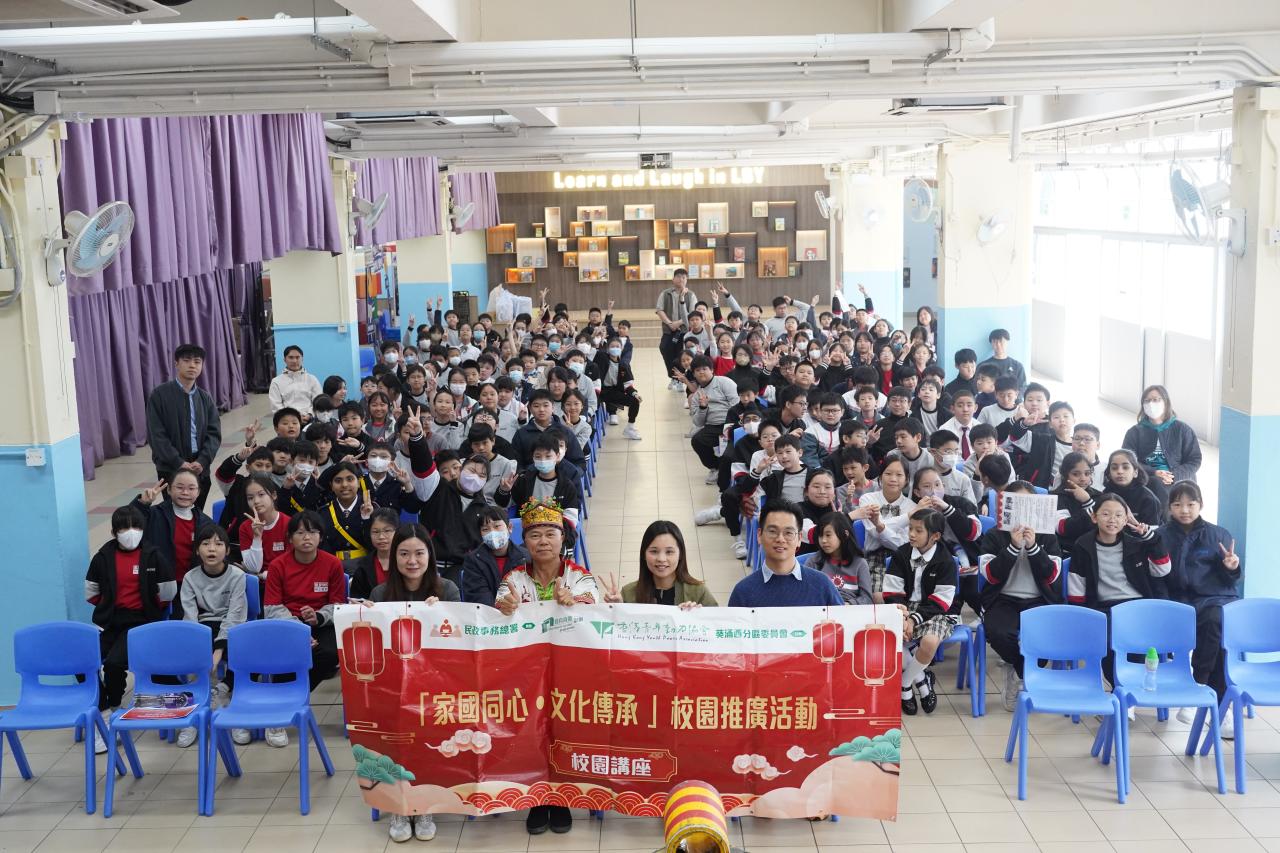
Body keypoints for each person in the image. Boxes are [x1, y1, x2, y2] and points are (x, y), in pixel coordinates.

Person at [494, 498, 597, 837]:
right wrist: (505, 609)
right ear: (524, 541)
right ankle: (538, 797)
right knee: (531, 731)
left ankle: (562, 796)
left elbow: (594, 611)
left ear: (562, 538)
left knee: (565, 730)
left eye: (550, 533)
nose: (543, 541)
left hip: (571, 673)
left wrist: (575, 603)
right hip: (526, 675)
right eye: (534, 534)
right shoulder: (513, 579)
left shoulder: (580, 577)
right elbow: (500, 612)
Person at [366, 524, 460, 843]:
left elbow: (459, 643)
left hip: (437, 685)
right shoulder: (380, 595)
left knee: (428, 731)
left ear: (429, 556)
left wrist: (442, 614)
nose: (412, 561)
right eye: (404, 554)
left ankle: (424, 804)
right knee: (394, 730)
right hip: (394, 686)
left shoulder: (447, 589)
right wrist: (366, 616)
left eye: (419, 553)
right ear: (394, 557)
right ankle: (399, 805)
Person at [85, 505, 176, 753]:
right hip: (110, 621)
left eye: (136, 526)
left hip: (140, 623)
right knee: (80, 662)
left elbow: (167, 592)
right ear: (114, 532)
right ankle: (103, 708)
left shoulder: (154, 556)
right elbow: (91, 592)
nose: (131, 532)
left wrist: (150, 609)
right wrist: (108, 608)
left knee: (114, 663)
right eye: (124, 527)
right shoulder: (103, 557)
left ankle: (113, 710)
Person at [1066, 493, 1171, 686]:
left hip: (1136, 606)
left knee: (1140, 641)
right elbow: (1076, 584)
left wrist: (1150, 537)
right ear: (1094, 517)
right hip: (1104, 608)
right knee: (1108, 642)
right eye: (1106, 514)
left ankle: (1132, 687)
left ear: (1125, 520)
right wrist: (1081, 619)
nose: (1112, 519)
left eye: (1118, 515)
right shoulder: (1083, 545)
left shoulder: (1136, 544)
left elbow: (1162, 569)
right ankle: (1119, 686)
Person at [263, 511, 347, 747]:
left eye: (312, 532)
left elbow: (338, 605)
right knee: (287, 656)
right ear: (290, 538)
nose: (307, 537)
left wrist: (318, 617)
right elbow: (271, 608)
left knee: (330, 653)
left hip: (320, 623)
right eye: (300, 533)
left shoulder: (332, 564)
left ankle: (285, 704)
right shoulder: (278, 566)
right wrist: (298, 630)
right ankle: (277, 717)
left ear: (321, 536)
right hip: (287, 625)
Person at [978, 480, 1063, 711]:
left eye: (1028, 503)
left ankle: (1017, 672)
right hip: (1003, 598)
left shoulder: (1047, 535)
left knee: (1046, 640)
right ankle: (1021, 670)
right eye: (1016, 503)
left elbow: (1051, 575)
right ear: (1006, 505)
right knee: (998, 633)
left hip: (1039, 600)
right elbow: (991, 575)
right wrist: (1013, 547)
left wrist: (1034, 547)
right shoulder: (994, 535)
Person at [1163, 481, 1240, 732]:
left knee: (1218, 620)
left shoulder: (1219, 535)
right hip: (1178, 601)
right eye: (1178, 504)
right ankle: (1218, 705)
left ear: (1201, 505)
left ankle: (1198, 686)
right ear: (1170, 507)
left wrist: (1231, 567)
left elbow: (1230, 580)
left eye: (1191, 504)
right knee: (1217, 638)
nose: (1184, 510)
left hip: (1214, 598)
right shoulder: (1161, 536)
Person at [176, 525, 249, 748]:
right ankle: (194, 714)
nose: (212, 549)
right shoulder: (190, 578)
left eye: (218, 544)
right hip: (202, 627)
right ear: (197, 550)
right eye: (206, 543)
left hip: (233, 627)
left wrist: (217, 652)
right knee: (188, 655)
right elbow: (190, 618)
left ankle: (231, 708)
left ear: (227, 550)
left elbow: (235, 616)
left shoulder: (237, 575)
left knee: (243, 654)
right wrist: (200, 649)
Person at [884, 508, 957, 714]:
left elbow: (941, 600)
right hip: (903, 609)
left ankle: (905, 683)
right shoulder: (901, 553)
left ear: (935, 536)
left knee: (930, 642)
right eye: (910, 529)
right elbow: (892, 591)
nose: (911, 534)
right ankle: (922, 680)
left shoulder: (946, 560)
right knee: (891, 639)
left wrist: (913, 620)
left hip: (936, 611)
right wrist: (903, 616)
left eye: (918, 530)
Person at [145, 343, 222, 512]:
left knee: (197, 514)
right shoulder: (159, 395)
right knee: (175, 515)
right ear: (176, 364)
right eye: (186, 360)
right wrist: (178, 462)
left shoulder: (205, 398)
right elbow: (156, 436)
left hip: (199, 467)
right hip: (170, 468)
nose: (192, 365)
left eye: (197, 361)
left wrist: (203, 461)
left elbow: (214, 434)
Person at [728, 499, 843, 607]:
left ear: (799, 539)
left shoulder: (822, 585)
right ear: (759, 535)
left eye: (788, 533)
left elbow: (842, 620)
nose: (780, 539)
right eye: (773, 531)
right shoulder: (743, 592)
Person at [130, 470, 214, 610]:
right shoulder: (154, 515)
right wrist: (142, 504)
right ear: (168, 490)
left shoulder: (206, 523)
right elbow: (126, 524)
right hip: (158, 586)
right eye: (179, 487)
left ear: (198, 492)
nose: (185, 492)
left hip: (193, 588)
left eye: (191, 488)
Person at [600, 521, 717, 607]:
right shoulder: (628, 593)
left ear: (681, 554)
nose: (661, 559)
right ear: (643, 554)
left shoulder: (698, 592)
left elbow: (718, 625)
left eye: (669, 552)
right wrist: (617, 609)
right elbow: (618, 630)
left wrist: (698, 616)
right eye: (654, 551)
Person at [1122, 385, 1202, 507]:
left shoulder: (1182, 429)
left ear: (1166, 402)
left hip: (1178, 479)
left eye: (1156, 400)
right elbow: (1128, 460)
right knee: (1156, 485)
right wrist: (1153, 472)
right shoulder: (1134, 432)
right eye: (1147, 401)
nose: (1151, 404)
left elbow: (1194, 459)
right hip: (1149, 479)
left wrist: (1173, 475)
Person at [460, 506, 530, 605]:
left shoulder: (526, 557)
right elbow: (478, 597)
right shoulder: (473, 560)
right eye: (485, 529)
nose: (492, 532)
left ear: (509, 527)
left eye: (497, 526)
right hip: (488, 613)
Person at [685, 355, 739, 483]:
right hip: (713, 426)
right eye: (698, 370)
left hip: (731, 423)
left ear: (712, 370)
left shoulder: (724, 382)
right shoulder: (697, 395)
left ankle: (731, 468)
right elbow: (698, 422)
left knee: (731, 447)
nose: (701, 372)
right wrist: (703, 408)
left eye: (704, 369)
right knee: (697, 441)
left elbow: (736, 403)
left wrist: (730, 423)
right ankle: (716, 467)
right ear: (694, 374)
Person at [802, 512, 873, 605]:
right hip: (821, 609)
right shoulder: (814, 561)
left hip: (849, 610)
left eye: (828, 535)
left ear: (845, 534)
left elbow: (867, 598)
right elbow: (804, 593)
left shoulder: (860, 563)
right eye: (820, 535)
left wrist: (849, 605)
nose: (823, 540)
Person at [594, 335, 642, 440]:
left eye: (617, 346)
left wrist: (635, 393)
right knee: (592, 405)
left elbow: (627, 385)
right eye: (612, 346)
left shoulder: (623, 365)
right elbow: (593, 351)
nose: (615, 348)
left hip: (613, 392)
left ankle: (630, 428)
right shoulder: (602, 358)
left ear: (621, 349)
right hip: (599, 391)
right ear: (607, 348)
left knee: (635, 401)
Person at [656, 269, 698, 386]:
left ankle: (681, 379)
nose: (681, 279)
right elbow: (659, 310)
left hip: (684, 331)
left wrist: (678, 323)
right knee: (664, 348)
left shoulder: (691, 295)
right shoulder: (665, 293)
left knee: (682, 354)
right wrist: (670, 324)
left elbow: (692, 313)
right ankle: (673, 377)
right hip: (669, 330)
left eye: (684, 277)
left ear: (687, 280)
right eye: (678, 276)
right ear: (673, 279)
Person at [347, 508, 399, 599]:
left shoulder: (408, 562)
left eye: (387, 531)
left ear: (397, 531)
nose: (381, 537)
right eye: (375, 532)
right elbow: (357, 600)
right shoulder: (362, 567)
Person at [1102, 448, 1164, 525]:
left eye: (1125, 467)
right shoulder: (1105, 495)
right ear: (1109, 473)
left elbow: (1154, 530)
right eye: (1114, 468)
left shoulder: (1148, 499)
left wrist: (1135, 524)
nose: (1120, 471)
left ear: (1135, 472)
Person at [268, 345, 323, 417]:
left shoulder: (312, 379)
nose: (294, 361)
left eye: (297, 357)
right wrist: (292, 418)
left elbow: (318, 401)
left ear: (302, 359)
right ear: (284, 360)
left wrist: (310, 415)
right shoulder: (276, 381)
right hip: (287, 420)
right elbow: (276, 406)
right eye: (291, 357)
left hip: (310, 419)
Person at [977, 328, 1027, 394]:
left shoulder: (1017, 366)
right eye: (994, 342)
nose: (998, 344)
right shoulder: (983, 365)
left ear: (1007, 341)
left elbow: (1023, 387)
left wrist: (1014, 398)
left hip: (1011, 400)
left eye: (1001, 341)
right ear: (991, 343)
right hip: (987, 399)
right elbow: (977, 387)